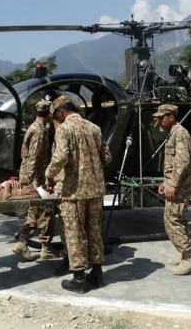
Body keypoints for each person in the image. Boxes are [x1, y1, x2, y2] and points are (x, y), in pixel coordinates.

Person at [45, 95, 112, 294]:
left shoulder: (64, 129)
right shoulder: (94, 128)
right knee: (94, 232)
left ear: (60, 112)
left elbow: (61, 156)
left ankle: (79, 278)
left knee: (74, 233)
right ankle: (98, 274)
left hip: (73, 191)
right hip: (95, 190)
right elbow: (107, 156)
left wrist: (49, 175)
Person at [152, 103, 191, 275]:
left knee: (172, 220)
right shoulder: (174, 134)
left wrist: (173, 184)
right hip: (178, 183)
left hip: (180, 186)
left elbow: (182, 161)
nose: (158, 121)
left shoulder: (180, 134)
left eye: (161, 117)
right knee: (179, 219)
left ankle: (189, 259)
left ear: (171, 117)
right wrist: (167, 181)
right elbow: (174, 163)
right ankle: (185, 254)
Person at [13, 100, 62, 262]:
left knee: (33, 213)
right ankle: (46, 248)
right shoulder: (39, 132)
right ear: (49, 114)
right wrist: (35, 182)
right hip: (36, 178)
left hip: (31, 177)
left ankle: (22, 242)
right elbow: (34, 157)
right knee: (47, 211)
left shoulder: (33, 128)